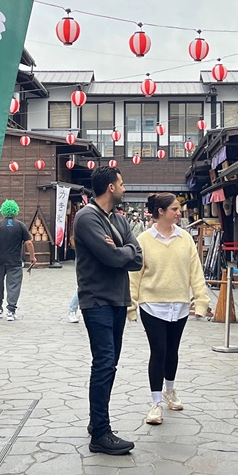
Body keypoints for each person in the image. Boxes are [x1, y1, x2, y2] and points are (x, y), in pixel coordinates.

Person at [74, 167, 143, 455]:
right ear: (111, 188)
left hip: (117, 299)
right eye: (122, 183)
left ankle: (96, 421)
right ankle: (100, 433)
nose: (125, 188)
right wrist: (122, 251)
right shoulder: (87, 217)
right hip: (97, 299)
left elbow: (137, 256)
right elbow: (111, 257)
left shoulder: (117, 218)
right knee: (103, 363)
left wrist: (123, 250)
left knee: (110, 363)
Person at [129, 193, 210, 426]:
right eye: (174, 209)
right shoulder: (143, 240)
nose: (179, 212)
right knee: (159, 351)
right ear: (160, 212)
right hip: (152, 304)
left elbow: (196, 271)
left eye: (179, 208)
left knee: (173, 351)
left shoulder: (185, 238)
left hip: (180, 304)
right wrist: (131, 304)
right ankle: (155, 403)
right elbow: (134, 274)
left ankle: (170, 391)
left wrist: (201, 301)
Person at [0, 200, 36, 321]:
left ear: (3, 210)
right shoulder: (20, 225)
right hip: (14, 261)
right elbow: (28, 242)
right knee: (14, 285)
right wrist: (32, 257)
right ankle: (11, 311)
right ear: (15, 210)